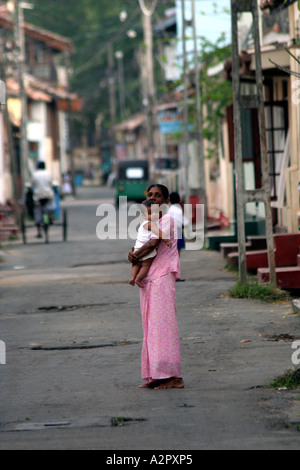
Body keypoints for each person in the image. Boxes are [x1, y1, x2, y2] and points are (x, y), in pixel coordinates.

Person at [128, 184, 184, 390]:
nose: (153, 198)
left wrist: (135, 255)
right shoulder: (148, 222)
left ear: (166, 201)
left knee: (163, 327)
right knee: (150, 329)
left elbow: (152, 245)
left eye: (158, 195)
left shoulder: (167, 221)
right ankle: (156, 376)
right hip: (149, 279)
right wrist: (132, 254)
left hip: (162, 278)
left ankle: (173, 377)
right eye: (150, 195)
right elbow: (141, 244)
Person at [129, 200, 172, 288]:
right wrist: (167, 241)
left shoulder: (143, 224)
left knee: (137, 264)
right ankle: (138, 279)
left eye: (156, 211)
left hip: (138, 247)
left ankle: (133, 277)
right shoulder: (151, 224)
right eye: (150, 213)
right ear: (143, 216)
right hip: (145, 248)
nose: (154, 214)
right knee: (146, 265)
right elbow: (159, 233)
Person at [168, 192, 188, 282]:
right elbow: (182, 222)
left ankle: (171, 274)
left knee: (172, 254)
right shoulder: (178, 210)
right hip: (178, 233)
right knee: (177, 255)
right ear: (179, 200)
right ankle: (176, 275)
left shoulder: (169, 210)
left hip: (170, 234)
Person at [31, 161, 54, 238]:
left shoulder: (35, 174)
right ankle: (50, 216)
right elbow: (51, 183)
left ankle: (38, 231)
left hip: (38, 196)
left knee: (37, 210)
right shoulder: (47, 173)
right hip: (47, 194)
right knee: (50, 204)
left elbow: (32, 185)